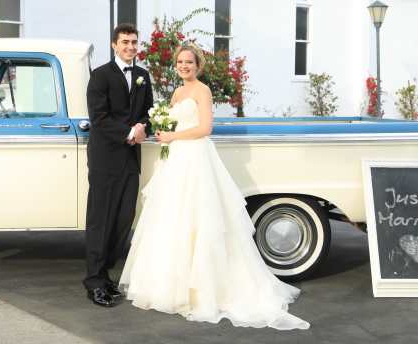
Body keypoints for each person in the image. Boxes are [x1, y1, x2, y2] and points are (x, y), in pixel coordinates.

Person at [119, 44, 310, 330]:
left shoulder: (201, 90)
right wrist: (164, 132)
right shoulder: (177, 92)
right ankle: (171, 286)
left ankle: (204, 290)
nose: (184, 66)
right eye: (180, 62)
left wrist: (172, 135)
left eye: (189, 62)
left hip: (195, 158)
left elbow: (206, 128)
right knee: (173, 221)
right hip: (176, 162)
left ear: (198, 65)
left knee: (199, 219)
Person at [83, 23, 154, 307]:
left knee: (124, 217)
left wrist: (142, 126)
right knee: (101, 219)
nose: (130, 47)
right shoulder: (100, 76)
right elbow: (99, 118)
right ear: (114, 44)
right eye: (125, 42)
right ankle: (94, 282)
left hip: (130, 159)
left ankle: (105, 274)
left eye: (134, 42)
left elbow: (149, 111)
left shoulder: (143, 76)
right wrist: (129, 132)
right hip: (105, 158)